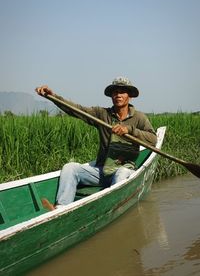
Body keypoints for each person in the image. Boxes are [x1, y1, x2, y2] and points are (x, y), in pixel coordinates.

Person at [35, 77, 157, 210]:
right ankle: (61, 208)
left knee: (121, 172)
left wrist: (129, 130)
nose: (118, 95)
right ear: (111, 96)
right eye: (115, 92)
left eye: (122, 92)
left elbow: (152, 139)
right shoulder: (102, 114)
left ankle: (112, 206)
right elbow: (76, 109)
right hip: (101, 171)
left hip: (124, 170)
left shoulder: (139, 118)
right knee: (70, 168)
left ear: (130, 96)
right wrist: (52, 97)